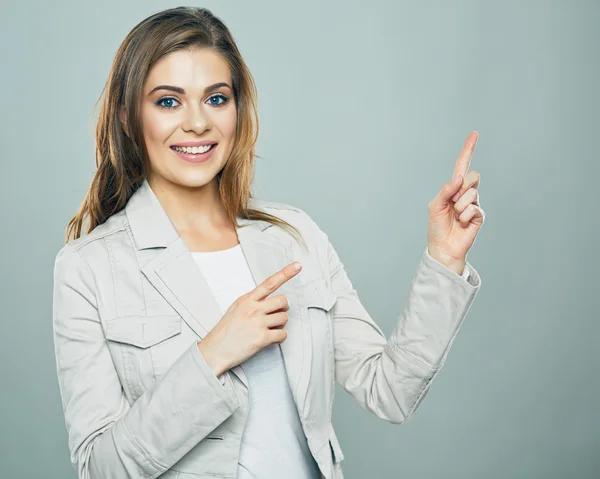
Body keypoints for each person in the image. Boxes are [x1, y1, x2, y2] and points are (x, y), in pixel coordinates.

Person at [52, 6, 485, 479]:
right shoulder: (88, 268)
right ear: (129, 117)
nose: (198, 123)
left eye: (216, 99)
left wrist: (444, 260)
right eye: (169, 102)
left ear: (238, 108)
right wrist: (212, 354)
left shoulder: (294, 237)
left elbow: (391, 390)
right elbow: (100, 468)